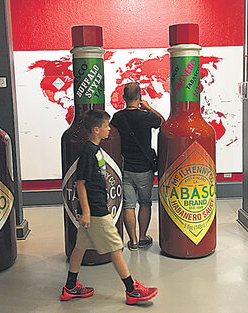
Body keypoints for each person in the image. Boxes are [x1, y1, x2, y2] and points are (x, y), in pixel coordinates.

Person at [60, 110, 158, 305]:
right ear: (96, 130)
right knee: (116, 248)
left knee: (79, 248)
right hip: (96, 212)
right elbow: (80, 183)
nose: (109, 130)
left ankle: (70, 287)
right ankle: (132, 290)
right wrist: (87, 212)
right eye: (106, 126)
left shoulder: (96, 150)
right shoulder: (88, 152)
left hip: (94, 210)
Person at [111, 82, 165, 251]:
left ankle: (132, 240)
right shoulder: (146, 116)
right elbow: (162, 122)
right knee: (145, 202)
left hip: (126, 168)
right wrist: (148, 107)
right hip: (144, 169)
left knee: (129, 205)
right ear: (140, 97)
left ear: (124, 98)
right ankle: (143, 237)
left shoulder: (118, 117)